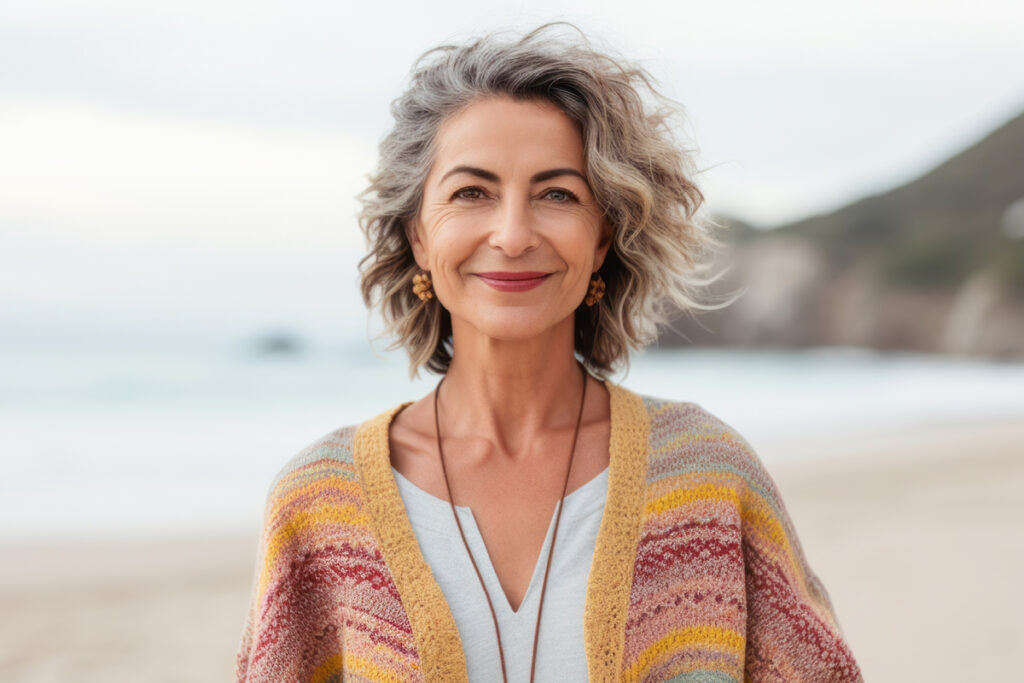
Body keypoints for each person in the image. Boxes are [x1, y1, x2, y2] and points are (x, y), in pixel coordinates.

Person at [235, 24, 863, 683]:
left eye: (557, 194)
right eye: (471, 192)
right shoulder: (318, 505)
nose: (511, 235)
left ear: (601, 240)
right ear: (419, 235)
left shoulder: (706, 476)